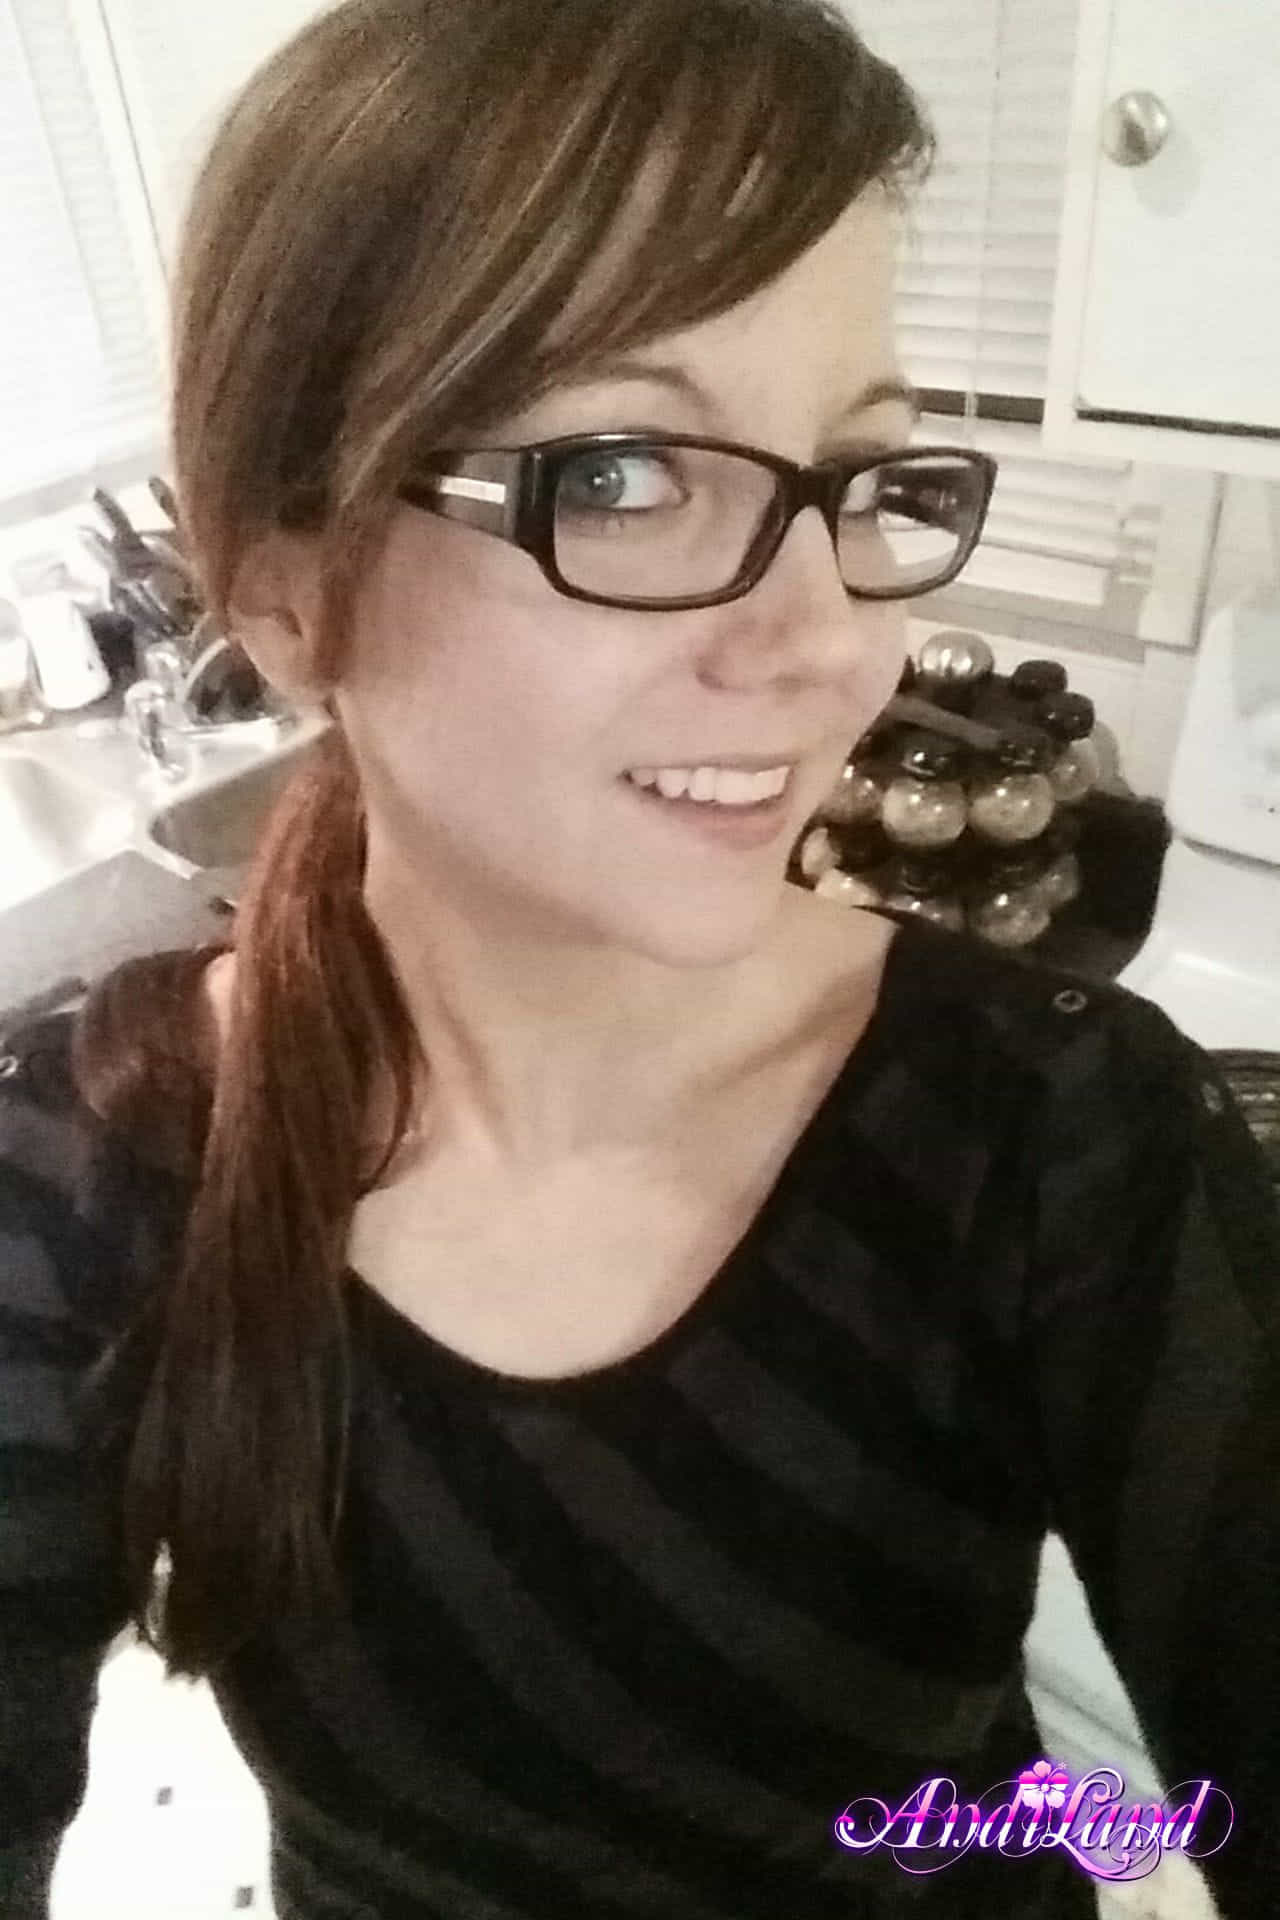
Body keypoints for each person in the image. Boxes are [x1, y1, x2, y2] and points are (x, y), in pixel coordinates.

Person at [1, 0, 1277, 1914]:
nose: (826, 645)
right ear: (283, 586)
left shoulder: (1054, 1137)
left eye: (863, 476)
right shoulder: (82, 1181)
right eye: (619, 474)